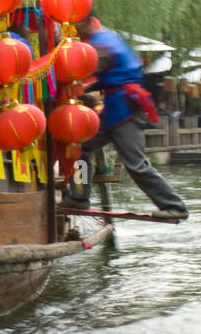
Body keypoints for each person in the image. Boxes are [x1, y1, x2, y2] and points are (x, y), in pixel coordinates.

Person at [69, 15, 189, 220]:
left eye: (77, 24)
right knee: (81, 146)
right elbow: (108, 76)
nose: (75, 29)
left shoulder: (101, 45)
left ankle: (174, 206)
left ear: (89, 21)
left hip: (124, 108)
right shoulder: (107, 38)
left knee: (135, 163)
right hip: (117, 107)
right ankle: (79, 196)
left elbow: (85, 69)